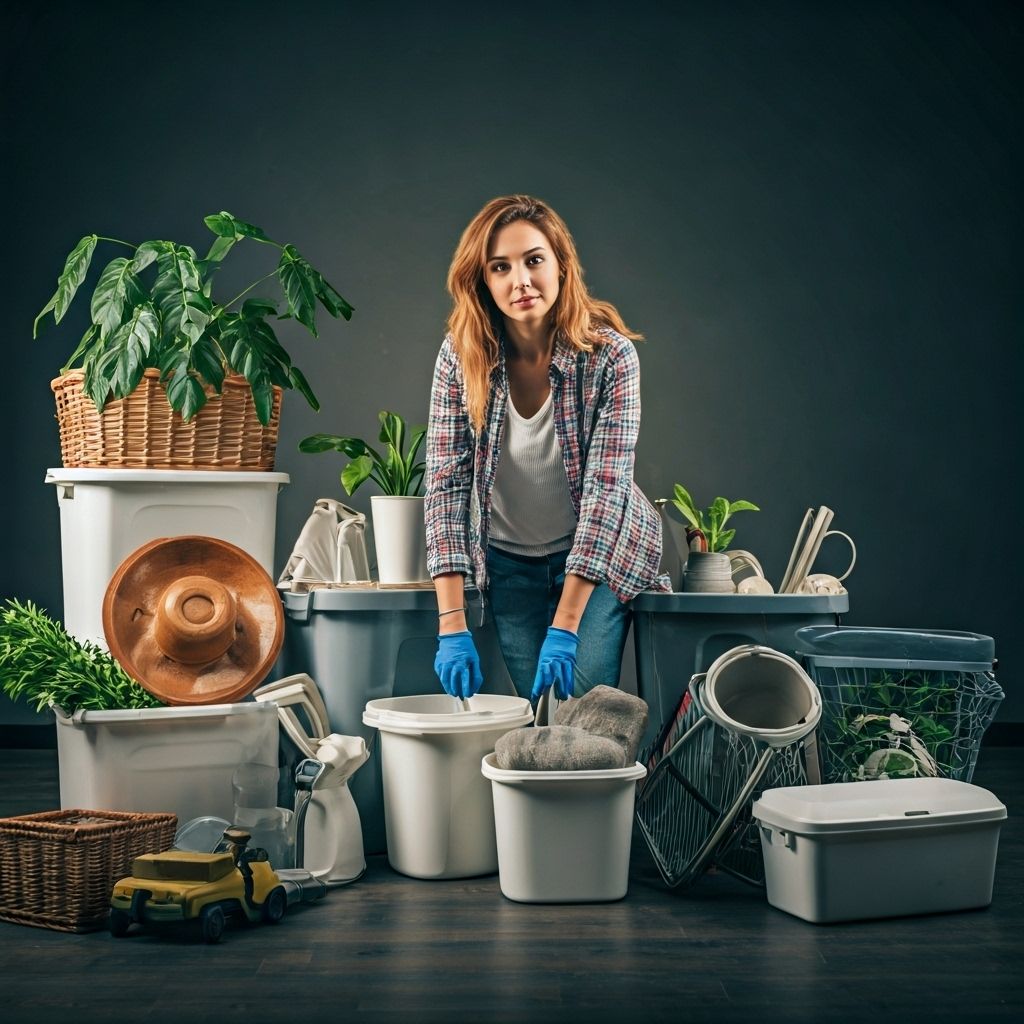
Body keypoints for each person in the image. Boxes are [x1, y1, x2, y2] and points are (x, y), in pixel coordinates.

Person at [425, 194, 669, 706]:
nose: (521, 281)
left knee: (584, 705)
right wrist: (452, 626)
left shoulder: (610, 357)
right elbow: (446, 485)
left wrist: (566, 626)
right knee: (541, 715)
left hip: (598, 555)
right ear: (482, 280)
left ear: (561, 264)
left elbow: (607, 491)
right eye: (501, 267)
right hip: (509, 562)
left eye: (534, 260)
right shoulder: (461, 356)